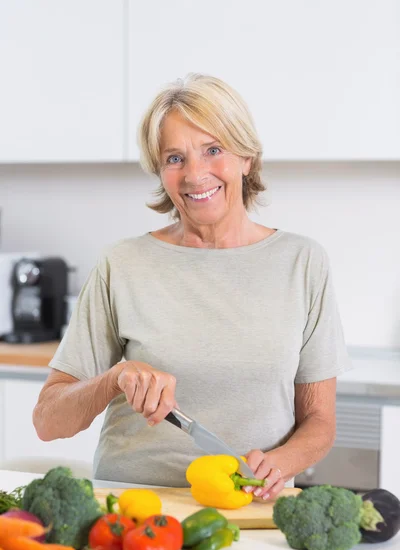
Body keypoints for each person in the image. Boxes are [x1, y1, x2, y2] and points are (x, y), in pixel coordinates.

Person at [33, 73, 351, 500]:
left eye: (213, 150)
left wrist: (284, 462)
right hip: (133, 504)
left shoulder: (303, 263)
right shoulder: (121, 264)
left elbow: (320, 421)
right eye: (174, 158)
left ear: (247, 158)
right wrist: (115, 378)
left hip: (250, 507)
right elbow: (48, 421)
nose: (195, 174)